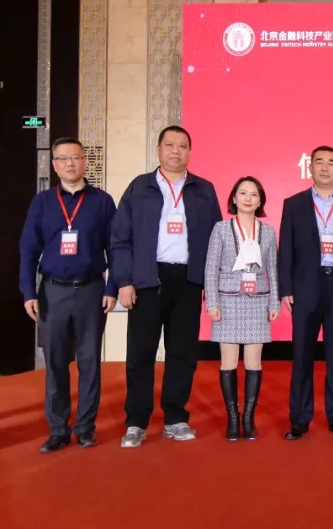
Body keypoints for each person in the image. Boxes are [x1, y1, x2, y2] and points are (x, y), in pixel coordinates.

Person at [111, 125, 222, 448]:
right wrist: (124, 281)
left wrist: (212, 284)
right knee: (140, 353)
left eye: (182, 146)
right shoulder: (140, 187)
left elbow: (217, 240)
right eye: (170, 145)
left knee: (182, 353)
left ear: (190, 152)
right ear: (158, 149)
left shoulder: (203, 189)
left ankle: (175, 417)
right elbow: (120, 239)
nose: (176, 151)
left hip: (188, 279)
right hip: (148, 280)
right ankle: (136, 421)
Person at [19, 137, 118, 452]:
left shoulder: (102, 201)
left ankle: (86, 428)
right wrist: (27, 291)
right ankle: (58, 429)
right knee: (56, 363)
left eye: (75, 157)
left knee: (89, 362)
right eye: (63, 159)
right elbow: (28, 249)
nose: (70, 163)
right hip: (52, 292)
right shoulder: (42, 202)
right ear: (54, 165)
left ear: (84, 161)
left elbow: (116, 248)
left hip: (91, 290)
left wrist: (113, 287)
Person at [280, 146, 333, 440]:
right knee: (302, 356)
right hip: (305, 288)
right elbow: (286, 248)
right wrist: (286, 288)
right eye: (319, 162)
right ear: (310, 168)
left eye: (331, 163)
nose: (325, 167)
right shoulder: (294, 204)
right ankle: (300, 419)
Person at [204, 177, 280, 441]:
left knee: (253, 362)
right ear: (234, 198)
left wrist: (274, 301)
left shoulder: (267, 231)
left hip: (258, 300)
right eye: (243, 193)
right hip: (227, 300)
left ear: (260, 201)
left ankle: (248, 417)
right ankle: (232, 418)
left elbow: (273, 269)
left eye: (254, 194)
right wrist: (212, 302)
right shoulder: (221, 229)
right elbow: (211, 267)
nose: (248, 198)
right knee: (228, 361)